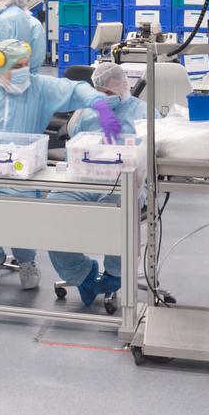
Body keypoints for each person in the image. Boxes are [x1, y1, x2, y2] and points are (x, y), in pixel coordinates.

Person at [0, 39, 122, 290]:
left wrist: (98, 103)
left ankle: (26, 261)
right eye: (17, 66)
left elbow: (76, 89)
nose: (24, 71)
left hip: (20, 169)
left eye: (26, 64)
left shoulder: (40, 88)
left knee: (19, 215)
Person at [48, 60, 146, 308]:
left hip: (125, 183)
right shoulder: (87, 111)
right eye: (99, 92)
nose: (104, 97)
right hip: (85, 180)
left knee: (115, 214)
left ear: (123, 87)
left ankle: (115, 274)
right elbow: (73, 150)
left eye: (109, 92)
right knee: (52, 209)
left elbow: (152, 156)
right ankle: (81, 273)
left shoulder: (143, 113)